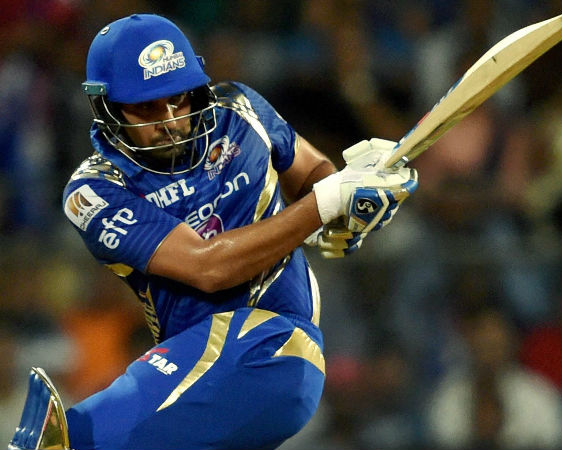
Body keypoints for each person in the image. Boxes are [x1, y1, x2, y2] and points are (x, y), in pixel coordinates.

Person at [9, 13, 418, 450]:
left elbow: (313, 173)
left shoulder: (240, 110)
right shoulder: (94, 191)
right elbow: (209, 267)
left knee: (72, 438)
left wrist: (351, 206)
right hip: (204, 375)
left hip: (275, 347)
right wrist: (328, 204)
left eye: (178, 99)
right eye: (145, 107)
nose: (169, 121)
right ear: (105, 108)